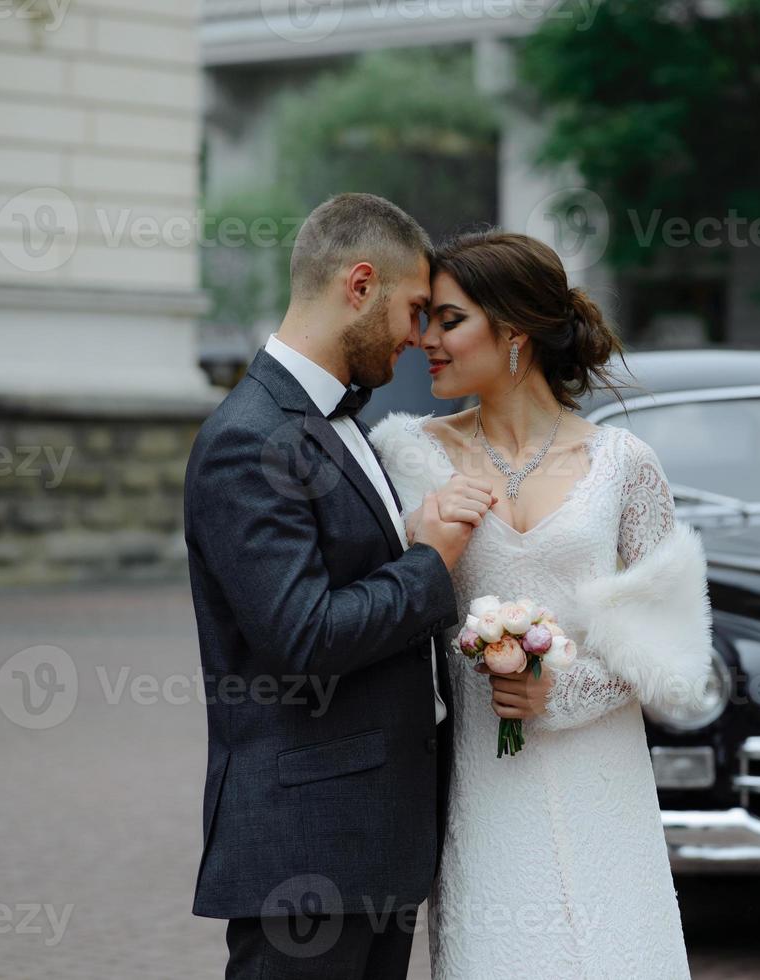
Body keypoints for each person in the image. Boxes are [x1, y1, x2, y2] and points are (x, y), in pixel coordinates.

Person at [369, 230, 713, 978]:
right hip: (482, 784)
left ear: (515, 330)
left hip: (600, 777)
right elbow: (383, 612)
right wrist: (420, 537)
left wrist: (559, 689)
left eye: (450, 320)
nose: (426, 339)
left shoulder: (623, 465)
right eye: (425, 318)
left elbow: (674, 656)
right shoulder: (407, 457)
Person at [183, 193, 506, 979]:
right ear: (359, 286)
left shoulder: (343, 421)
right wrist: (428, 560)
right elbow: (304, 637)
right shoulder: (246, 440)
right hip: (305, 853)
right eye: (415, 309)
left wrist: (405, 539)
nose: (420, 337)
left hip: (374, 844)